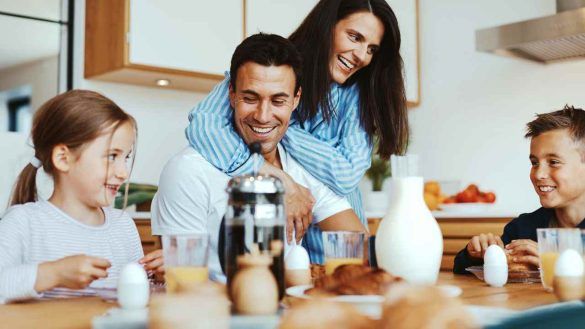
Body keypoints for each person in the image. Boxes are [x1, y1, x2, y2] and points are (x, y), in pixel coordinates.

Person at [185, 0, 408, 263]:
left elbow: (346, 174)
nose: (361, 55)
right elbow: (202, 125)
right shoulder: (270, 66)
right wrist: (276, 176)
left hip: (338, 250)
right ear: (327, 27)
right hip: (285, 250)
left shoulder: (357, 96)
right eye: (354, 37)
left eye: (371, 48)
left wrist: (277, 125)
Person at [152, 33, 366, 281]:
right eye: (250, 98)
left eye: (278, 100)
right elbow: (179, 281)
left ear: (296, 100)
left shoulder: (298, 168)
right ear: (231, 95)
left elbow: (354, 240)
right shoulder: (188, 170)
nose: (263, 116)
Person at [0, 90, 163, 303]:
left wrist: (159, 280)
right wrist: (53, 273)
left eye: (126, 157)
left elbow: (135, 296)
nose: (123, 172)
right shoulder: (24, 222)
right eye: (112, 156)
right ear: (63, 158)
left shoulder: (123, 225)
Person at [453, 105, 585, 274]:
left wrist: (558, 266)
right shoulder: (523, 228)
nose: (539, 174)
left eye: (553, 162)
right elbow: (461, 269)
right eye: (534, 163)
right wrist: (476, 254)